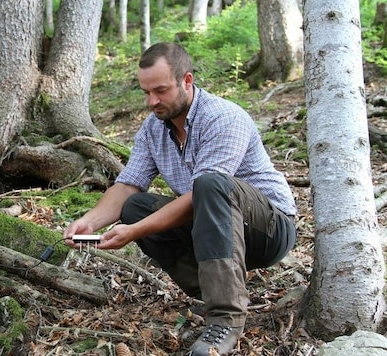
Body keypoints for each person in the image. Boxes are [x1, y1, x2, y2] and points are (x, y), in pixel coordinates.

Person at [63, 42, 297, 356]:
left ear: (186, 81)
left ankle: (226, 319)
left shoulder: (223, 118)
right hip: (216, 227)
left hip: (269, 229)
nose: (152, 101)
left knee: (210, 185)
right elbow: (128, 185)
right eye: (145, 92)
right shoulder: (152, 129)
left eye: (160, 91)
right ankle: (217, 293)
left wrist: (136, 231)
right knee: (135, 207)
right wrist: (89, 221)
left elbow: (202, 193)